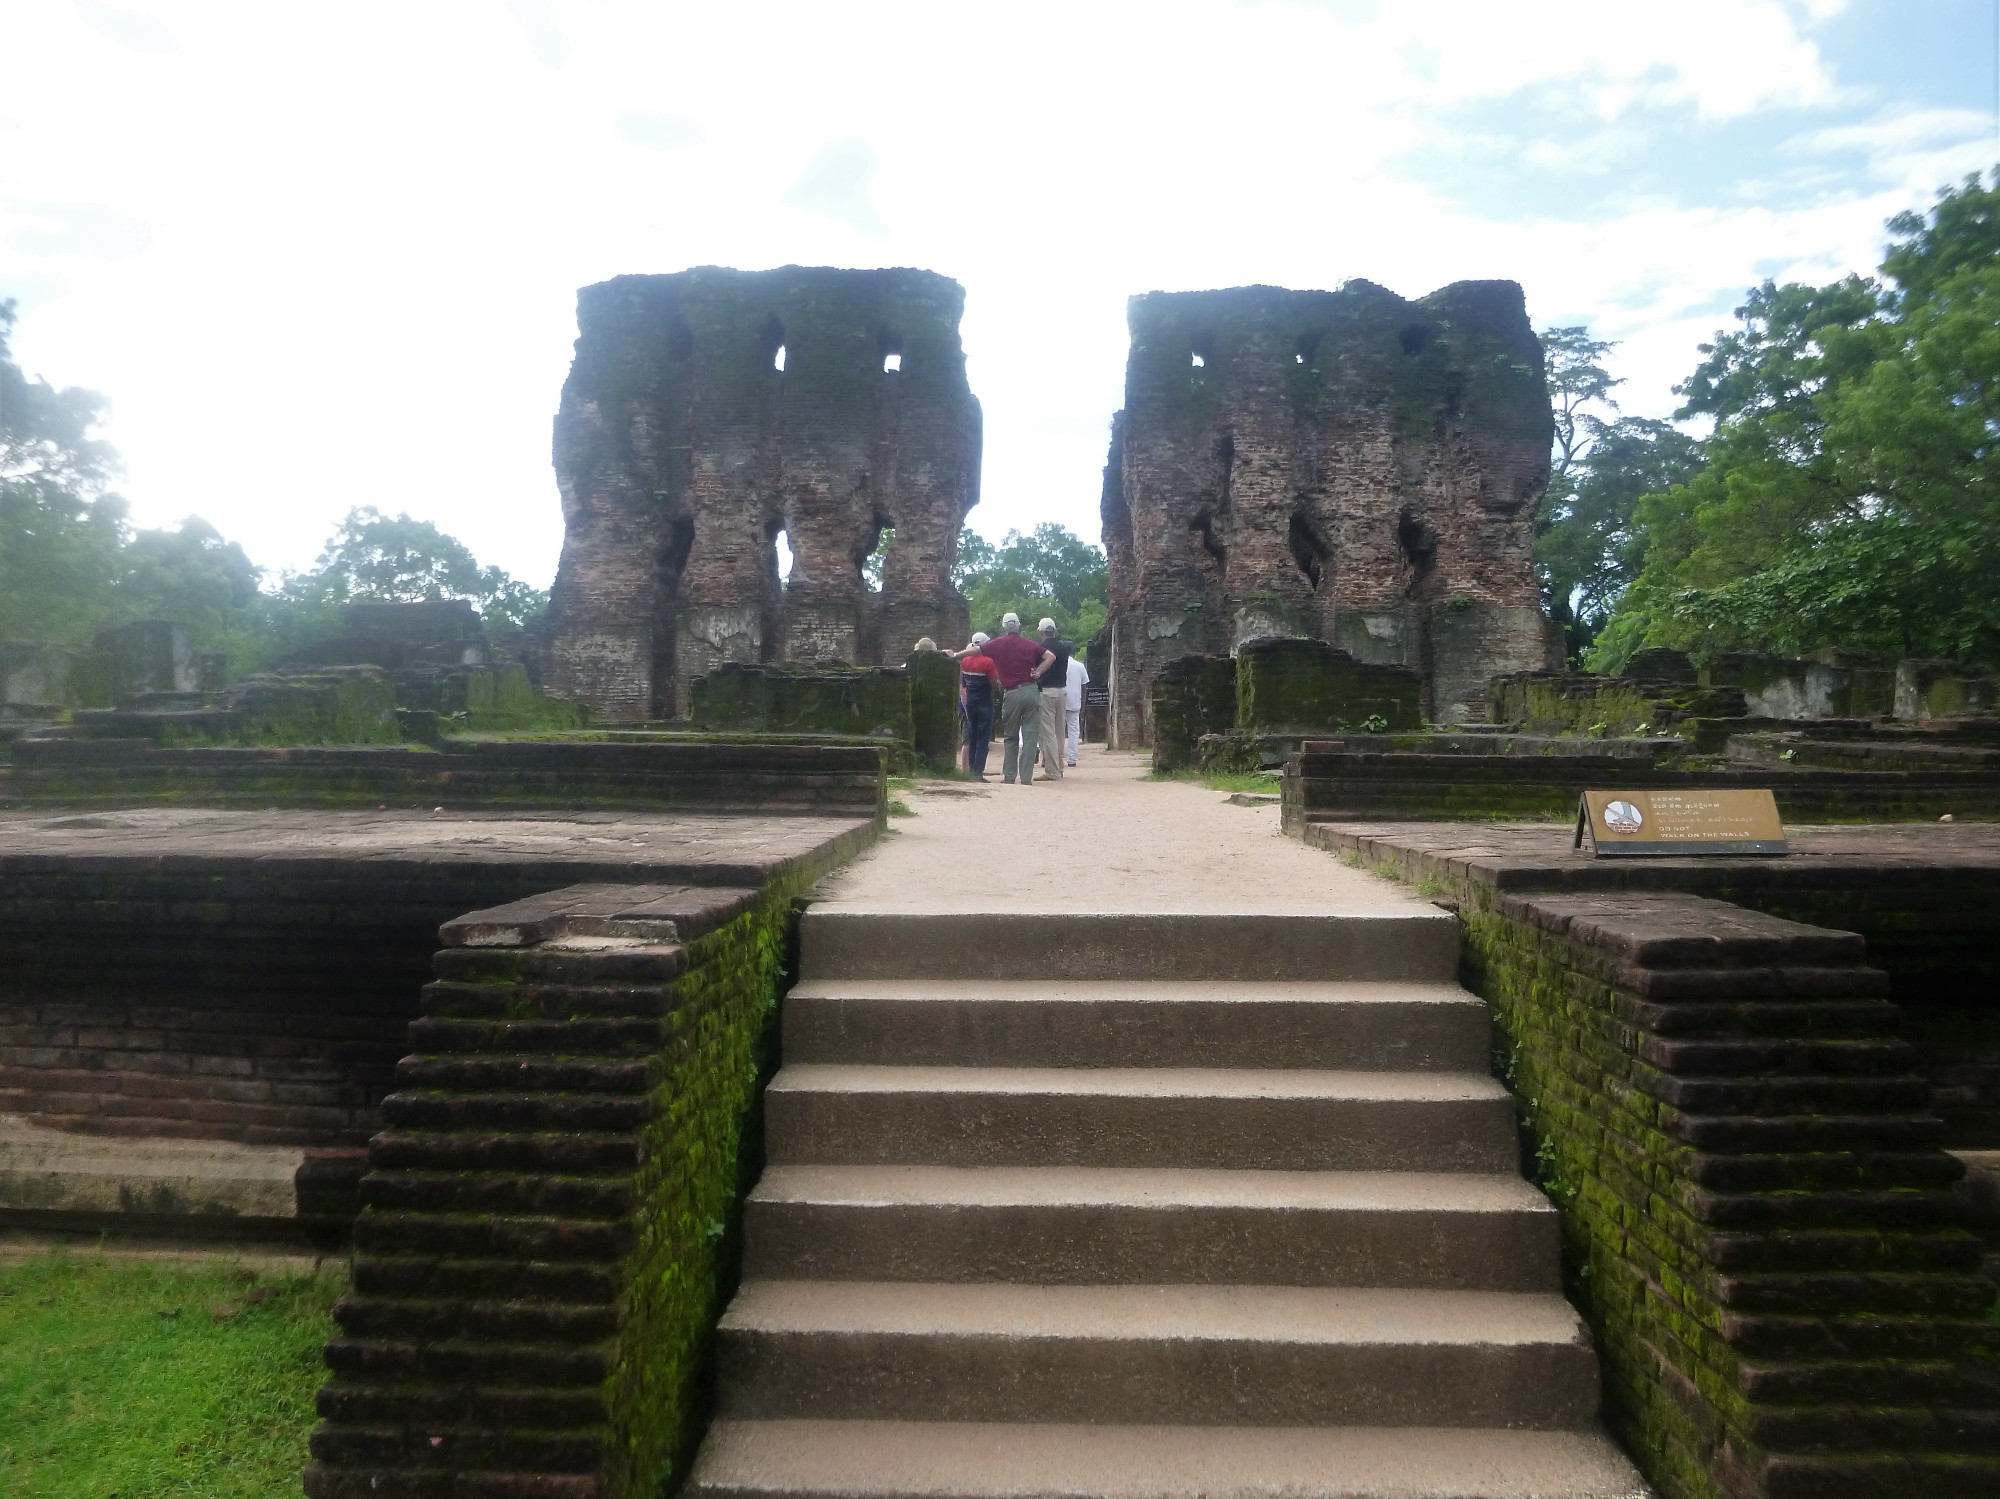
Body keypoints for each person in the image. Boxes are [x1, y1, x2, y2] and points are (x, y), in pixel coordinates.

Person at [982, 612, 1054, 785]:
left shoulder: (997, 644)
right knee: (1030, 736)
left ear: (1004, 627)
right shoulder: (1029, 644)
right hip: (1030, 690)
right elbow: (1051, 656)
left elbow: (976, 650)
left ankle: (1009, 775)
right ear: (1019, 626)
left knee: (1011, 736)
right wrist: (1038, 672)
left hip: (1012, 693)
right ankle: (1026, 778)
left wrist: (955, 655)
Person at [957, 632, 1000, 779]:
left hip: (970, 701)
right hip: (984, 700)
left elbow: (963, 684)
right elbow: (994, 684)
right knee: (983, 738)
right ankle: (978, 771)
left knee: (972, 735)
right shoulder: (989, 662)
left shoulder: (965, 661)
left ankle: (970, 770)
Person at [1034, 618, 1071, 780]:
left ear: (1041, 632)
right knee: (1059, 731)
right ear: (1054, 630)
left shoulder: (1040, 648)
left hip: (1047, 691)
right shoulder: (1064, 648)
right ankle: (1059, 767)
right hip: (1062, 691)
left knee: (1047, 732)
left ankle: (1052, 770)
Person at [1064, 652, 1090, 767]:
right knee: (1074, 731)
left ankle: (1055, 758)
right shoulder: (1079, 666)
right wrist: (1083, 703)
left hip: (1059, 699)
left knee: (1056, 731)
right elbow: (1084, 686)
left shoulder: (1057, 664)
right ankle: (1072, 759)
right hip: (1074, 701)